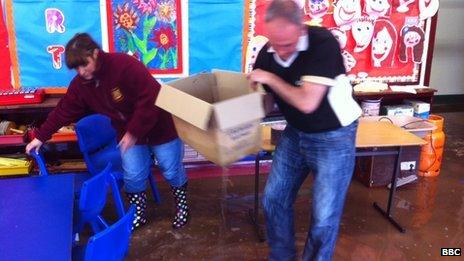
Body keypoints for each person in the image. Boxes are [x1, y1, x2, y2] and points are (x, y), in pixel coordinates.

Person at [25, 33, 189, 230]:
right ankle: (139, 213)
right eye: (76, 68)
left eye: (84, 64)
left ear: (95, 53)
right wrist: (41, 137)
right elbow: (64, 110)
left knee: (170, 170)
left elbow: (151, 99)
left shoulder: (125, 66)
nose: (81, 71)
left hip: (160, 127)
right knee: (133, 175)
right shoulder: (81, 85)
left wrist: (133, 132)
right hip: (128, 134)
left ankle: (182, 206)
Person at [247, 0, 362, 260]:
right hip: (296, 131)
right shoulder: (268, 52)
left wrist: (269, 78)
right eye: (274, 43)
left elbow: (307, 102)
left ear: (301, 29)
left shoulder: (322, 42)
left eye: (286, 45)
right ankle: (282, 257)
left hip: (334, 135)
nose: (280, 52)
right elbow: (265, 105)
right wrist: (241, 104)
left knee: (323, 217)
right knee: (274, 200)